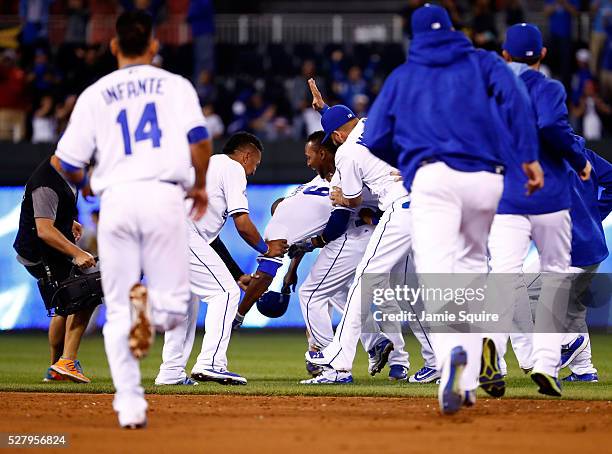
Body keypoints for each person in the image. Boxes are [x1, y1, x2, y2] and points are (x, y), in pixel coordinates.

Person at [360, 4, 543, 415]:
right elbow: (516, 101)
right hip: (485, 178)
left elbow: (374, 137)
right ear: (454, 29)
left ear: (416, 34)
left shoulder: (404, 75)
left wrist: (408, 160)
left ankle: (452, 366)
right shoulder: (484, 62)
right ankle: (471, 380)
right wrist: (528, 156)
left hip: (432, 178)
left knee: (438, 275)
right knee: (474, 271)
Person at [53, 11, 211, 429]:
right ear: (154, 46)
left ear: (113, 46)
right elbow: (200, 139)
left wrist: (86, 180)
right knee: (176, 309)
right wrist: (200, 185)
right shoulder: (176, 86)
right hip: (164, 195)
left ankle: (130, 406)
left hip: (117, 200)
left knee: (117, 311)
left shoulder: (95, 93)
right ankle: (153, 310)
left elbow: (65, 162)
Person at [488, 23, 591, 397]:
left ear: (504, 55)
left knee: (502, 277)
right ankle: (546, 366)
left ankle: (493, 351)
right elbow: (550, 123)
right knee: (554, 279)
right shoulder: (548, 87)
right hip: (550, 199)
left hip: (507, 198)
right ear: (542, 55)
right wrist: (578, 157)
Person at [155, 132, 288, 386]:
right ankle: (211, 363)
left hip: (165, 232)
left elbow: (211, 239)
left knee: (185, 304)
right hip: (181, 233)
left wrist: (238, 274)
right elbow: (243, 223)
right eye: (255, 164)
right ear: (246, 155)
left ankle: (171, 371)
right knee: (225, 294)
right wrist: (265, 248)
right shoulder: (233, 168)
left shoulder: (209, 164)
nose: (252, 171)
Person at [303, 81, 413, 384]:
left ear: (337, 136)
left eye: (332, 138)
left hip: (400, 210)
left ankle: (339, 365)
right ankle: (444, 362)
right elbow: (347, 123)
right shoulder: (371, 123)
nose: (333, 143)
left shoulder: (346, 152)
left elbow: (350, 200)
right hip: (429, 204)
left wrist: (341, 198)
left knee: (363, 283)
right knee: (419, 290)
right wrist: (325, 110)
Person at [13, 154, 97, 383]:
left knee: (65, 305)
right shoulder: (46, 181)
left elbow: (51, 214)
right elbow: (44, 230)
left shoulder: (65, 174)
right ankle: (65, 362)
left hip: (47, 249)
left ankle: (57, 368)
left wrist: (67, 222)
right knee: (86, 292)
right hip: (39, 251)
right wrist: (78, 253)